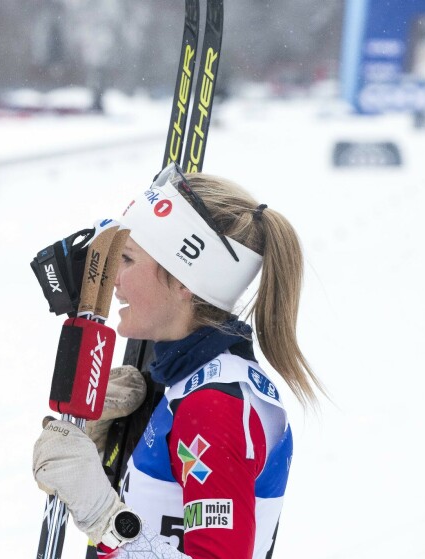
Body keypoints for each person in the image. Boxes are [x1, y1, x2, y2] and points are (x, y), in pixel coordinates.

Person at [32, 163, 324, 559]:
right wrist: (105, 463)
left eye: (129, 259)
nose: (113, 278)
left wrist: (103, 515)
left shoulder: (215, 408)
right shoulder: (189, 384)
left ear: (185, 281)